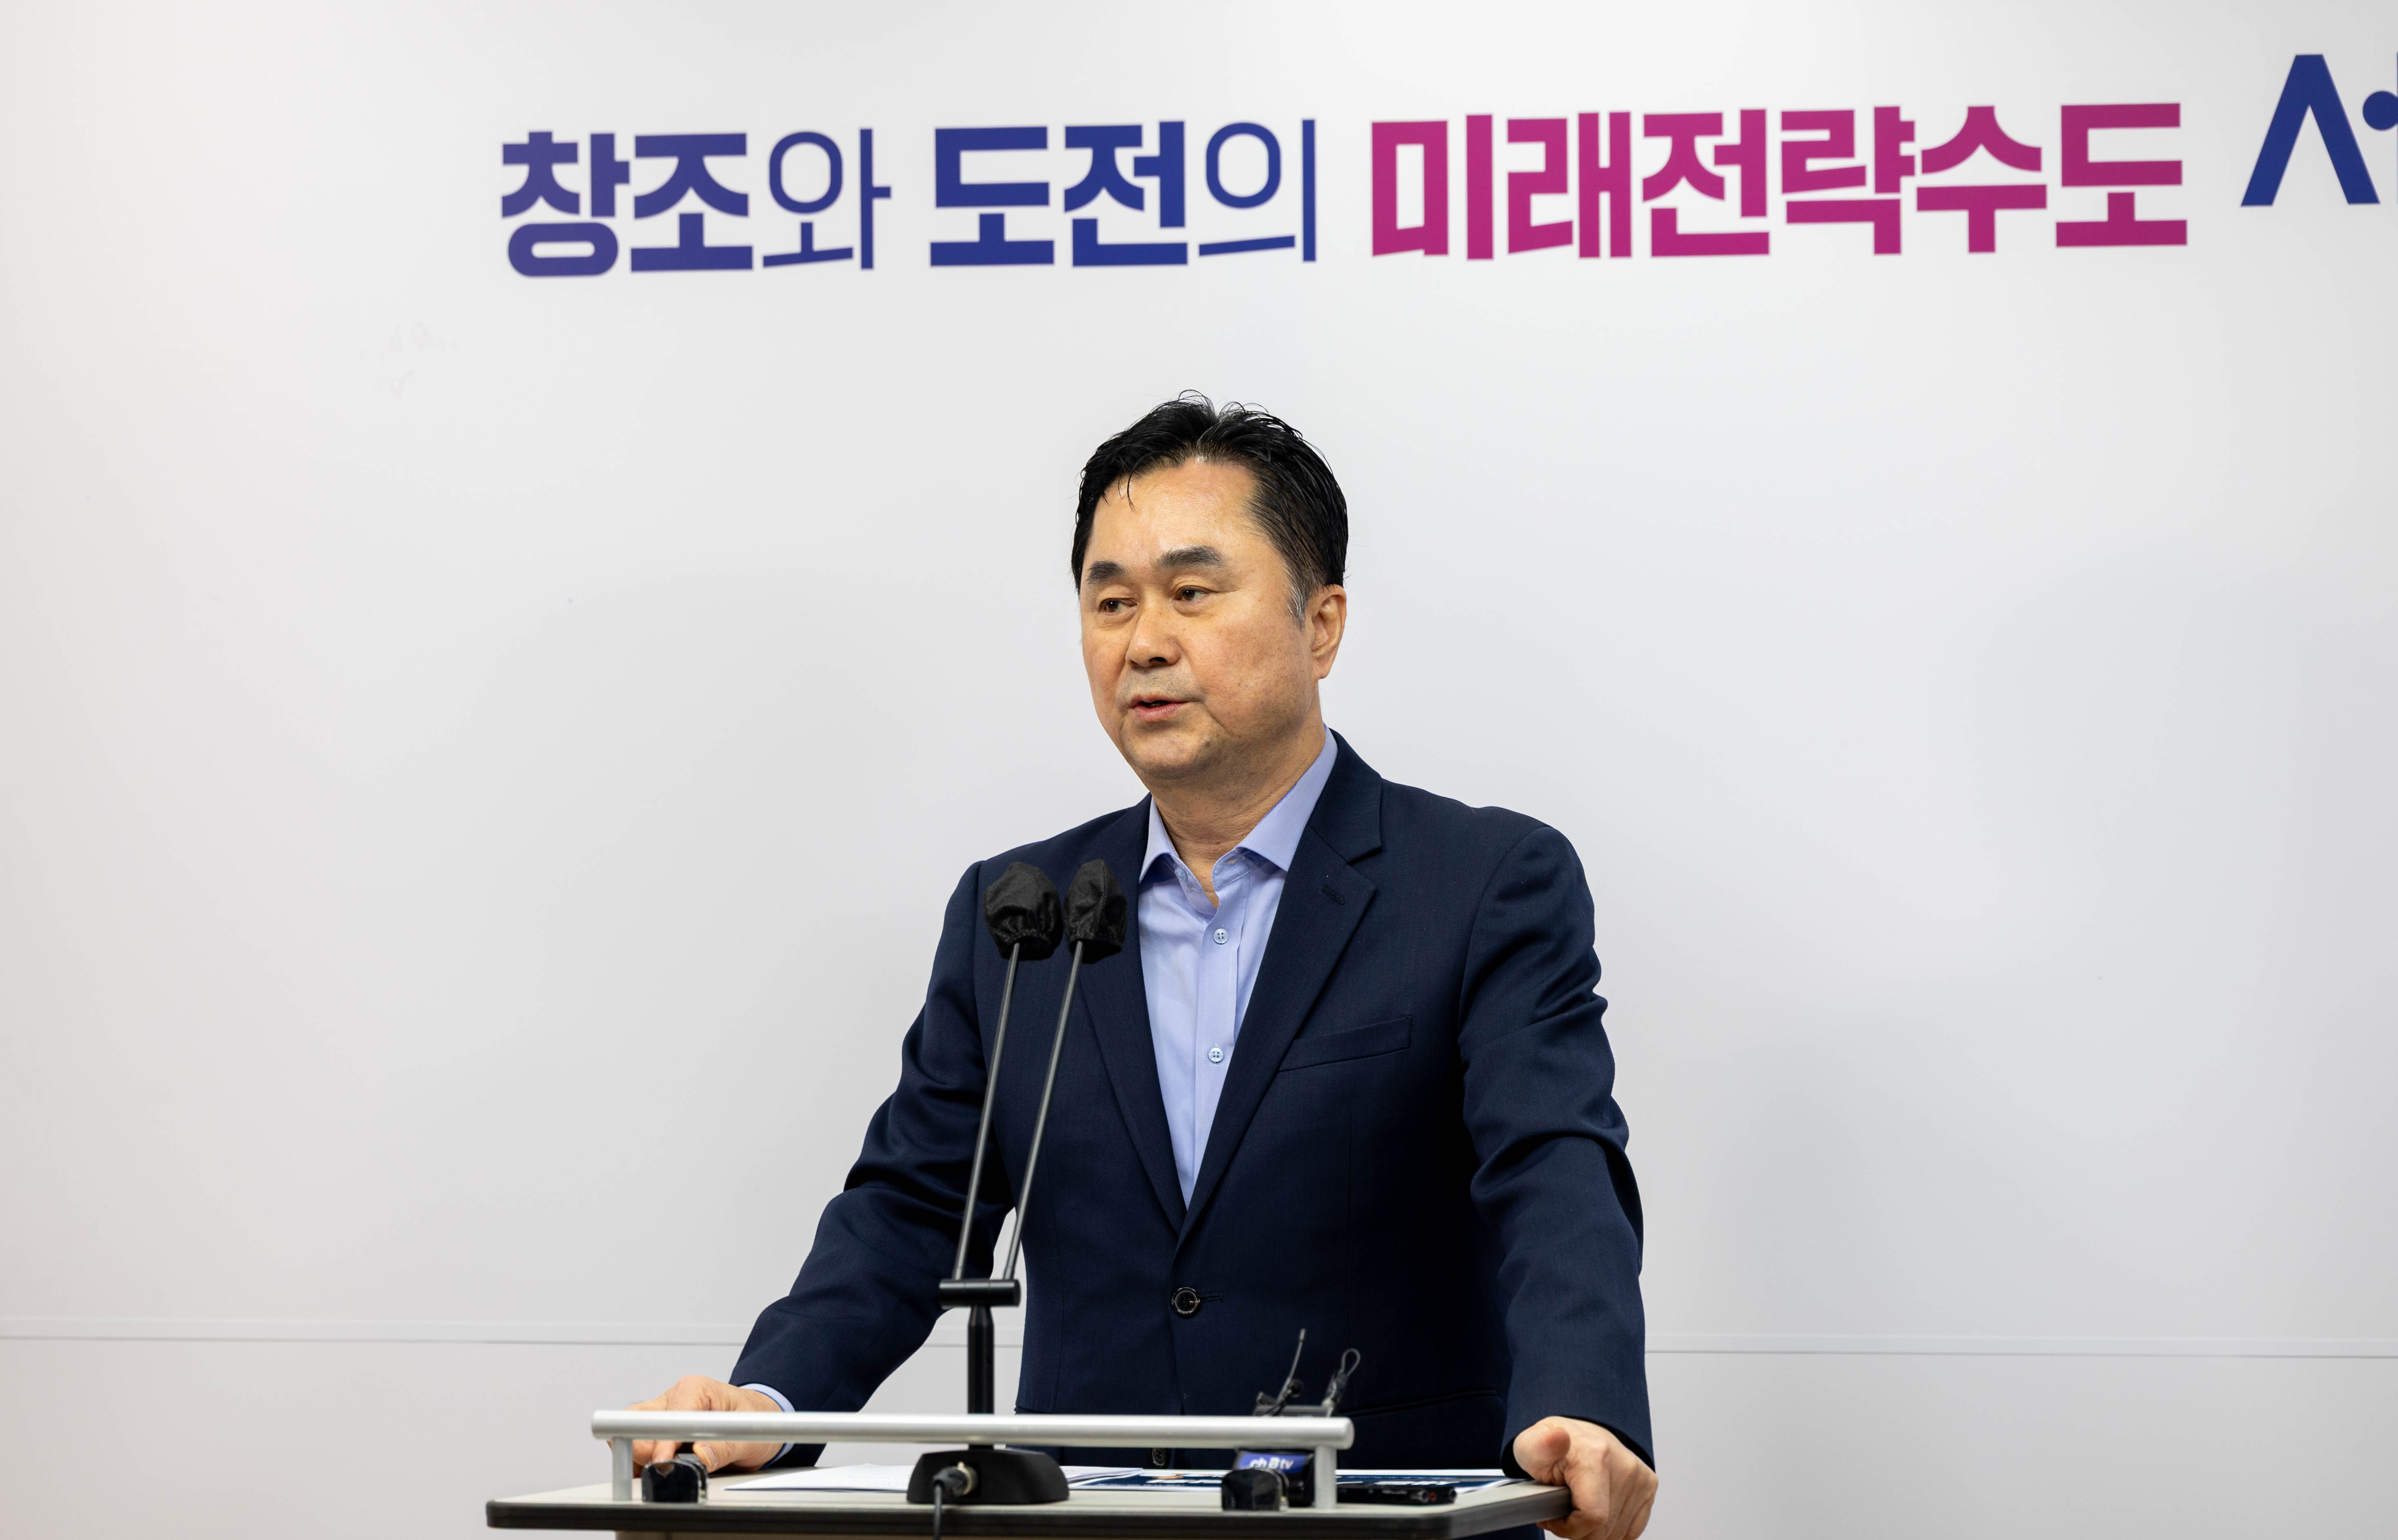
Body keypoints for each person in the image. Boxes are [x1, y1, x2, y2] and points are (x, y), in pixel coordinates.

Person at [631, 395, 1656, 1540]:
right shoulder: (1022, 914)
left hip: (1373, 1510)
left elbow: (1551, 1165)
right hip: (1081, 1521)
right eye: (1110, 601)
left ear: (1321, 626)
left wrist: (1581, 1401)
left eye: (1192, 592)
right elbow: (916, 1205)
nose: (1144, 643)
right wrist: (769, 1400)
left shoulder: (1477, 882)